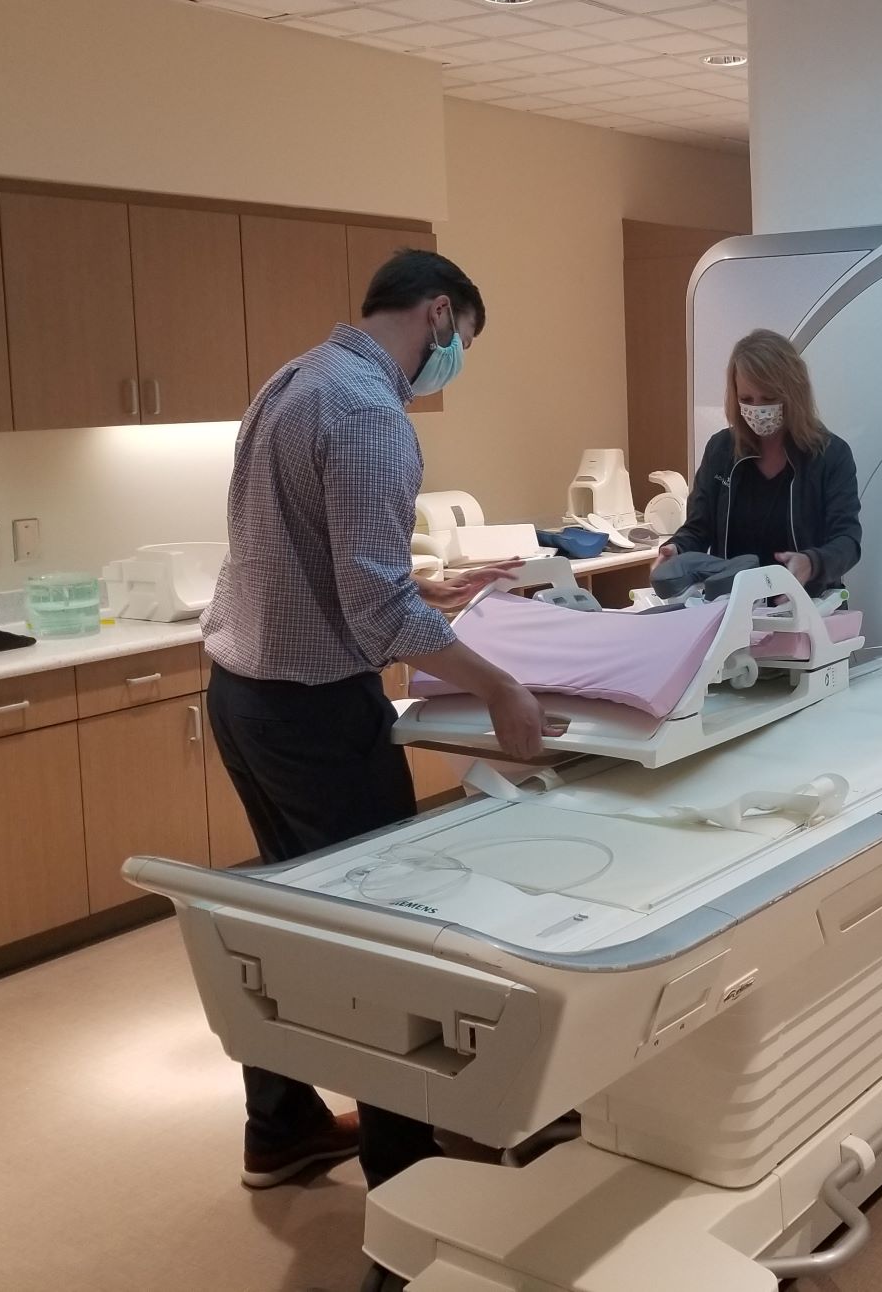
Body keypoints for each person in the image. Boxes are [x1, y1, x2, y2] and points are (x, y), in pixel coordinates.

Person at [201, 248, 545, 1193]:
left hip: (242, 695)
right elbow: (379, 616)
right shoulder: (369, 415)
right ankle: (408, 1163)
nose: (454, 362)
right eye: (463, 341)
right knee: (384, 933)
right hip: (313, 714)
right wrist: (500, 688)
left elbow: (306, 559)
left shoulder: (298, 378)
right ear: (439, 313)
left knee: (292, 909)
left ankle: (280, 1127)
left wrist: (427, 585)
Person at [660, 328, 862, 593]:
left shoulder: (831, 455)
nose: (758, 409)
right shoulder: (721, 451)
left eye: (768, 398)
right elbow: (698, 529)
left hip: (808, 605)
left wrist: (811, 563)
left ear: (793, 393)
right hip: (734, 604)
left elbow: (847, 541)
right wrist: (677, 549)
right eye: (746, 399)